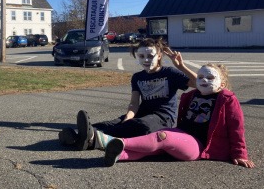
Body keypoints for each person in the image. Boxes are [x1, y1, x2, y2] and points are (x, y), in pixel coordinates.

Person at [104, 63, 255, 168]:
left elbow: (237, 128)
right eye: (201, 77)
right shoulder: (191, 95)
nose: (204, 80)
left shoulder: (227, 100)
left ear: (222, 84)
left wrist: (240, 153)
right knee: (155, 148)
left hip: (199, 145)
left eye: (210, 78)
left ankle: (117, 142)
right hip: (183, 135)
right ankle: (119, 155)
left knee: (163, 137)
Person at [59, 37, 197, 151]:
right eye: (141, 56)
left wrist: (181, 66)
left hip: (163, 117)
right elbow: (134, 103)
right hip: (140, 114)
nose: (146, 60)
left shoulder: (170, 73)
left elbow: (199, 84)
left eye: (150, 56)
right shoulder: (137, 77)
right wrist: (128, 118)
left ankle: (86, 138)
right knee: (107, 125)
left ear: (159, 55)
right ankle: (82, 137)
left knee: (142, 127)